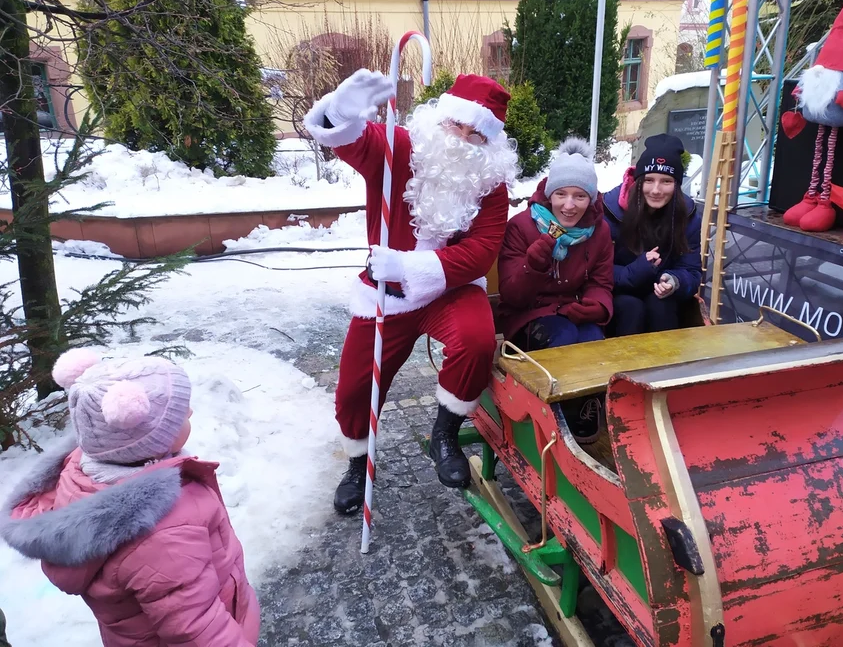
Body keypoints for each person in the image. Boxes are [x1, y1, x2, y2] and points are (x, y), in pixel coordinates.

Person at [304, 70, 518, 513]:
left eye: (476, 134)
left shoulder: (490, 186)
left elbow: (479, 254)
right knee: (353, 385)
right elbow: (353, 144)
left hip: (451, 289)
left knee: (477, 341)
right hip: (388, 293)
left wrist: (409, 264)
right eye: (457, 124)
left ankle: (445, 432)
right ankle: (358, 463)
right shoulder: (401, 148)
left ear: (488, 144)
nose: (462, 138)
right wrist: (342, 112)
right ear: (440, 119)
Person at [0, 349, 259, 647]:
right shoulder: (162, 531)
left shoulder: (82, 472)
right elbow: (195, 629)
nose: (189, 413)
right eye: (179, 413)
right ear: (145, 438)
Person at [497, 137, 613, 443]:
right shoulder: (522, 226)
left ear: (591, 198)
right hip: (528, 314)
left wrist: (596, 305)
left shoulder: (598, 231)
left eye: (579, 196)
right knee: (561, 338)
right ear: (550, 195)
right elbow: (512, 296)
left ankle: (585, 404)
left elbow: (601, 281)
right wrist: (534, 262)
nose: (569, 205)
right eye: (561, 194)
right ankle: (557, 412)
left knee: (593, 338)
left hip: (572, 309)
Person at [602, 134, 702, 336]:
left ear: (677, 185)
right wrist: (639, 269)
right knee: (631, 308)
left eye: (666, 181)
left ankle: (665, 366)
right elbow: (599, 271)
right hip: (619, 291)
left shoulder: (687, 215)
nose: (656, 190)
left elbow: (691, 271)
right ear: (638, 181)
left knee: (661, 305)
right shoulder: (611, 210)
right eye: (649, 180)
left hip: (662, 295)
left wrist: (675, 281)